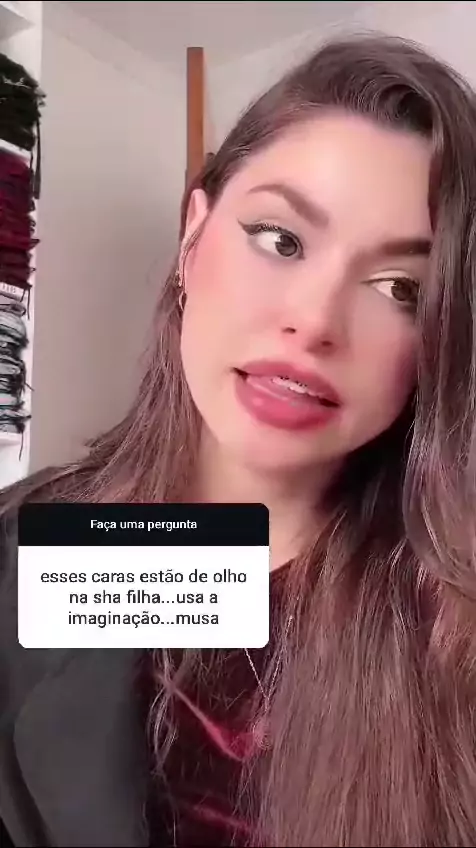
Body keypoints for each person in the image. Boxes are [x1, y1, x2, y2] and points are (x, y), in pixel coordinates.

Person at [1, 32, 476, 848]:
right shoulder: (29, 553)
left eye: (400, 287)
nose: (315, 322)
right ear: (193, 238)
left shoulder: (451, 624)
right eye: (280, 240)